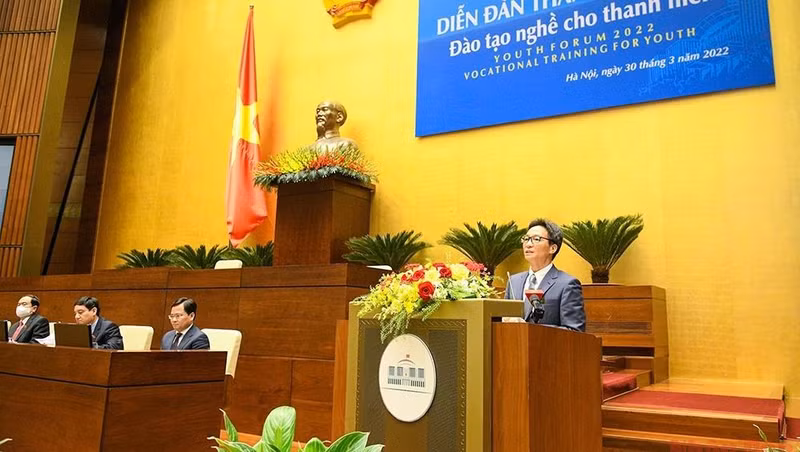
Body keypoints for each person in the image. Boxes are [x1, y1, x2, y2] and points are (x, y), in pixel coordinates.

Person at [505, 218, 586, 331]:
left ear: (552, 248)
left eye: (536, 239)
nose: (528, 244)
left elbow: (574, 331)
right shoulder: (513, 282)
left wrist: (529, 329)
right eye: (526, 239)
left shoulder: (567, 284)